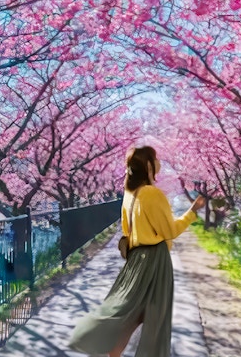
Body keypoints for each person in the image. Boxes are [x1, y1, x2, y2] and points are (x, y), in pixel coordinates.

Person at [68, 146, 207, 357]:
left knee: (129, 316)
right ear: (149, 165)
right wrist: (191, 212)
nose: (159, 162)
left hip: (136, 260)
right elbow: (170, 231)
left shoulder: (129, 194)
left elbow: (126, 229)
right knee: (154, 320)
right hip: (155, 261)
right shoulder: (152, 193)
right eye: (156, 158)